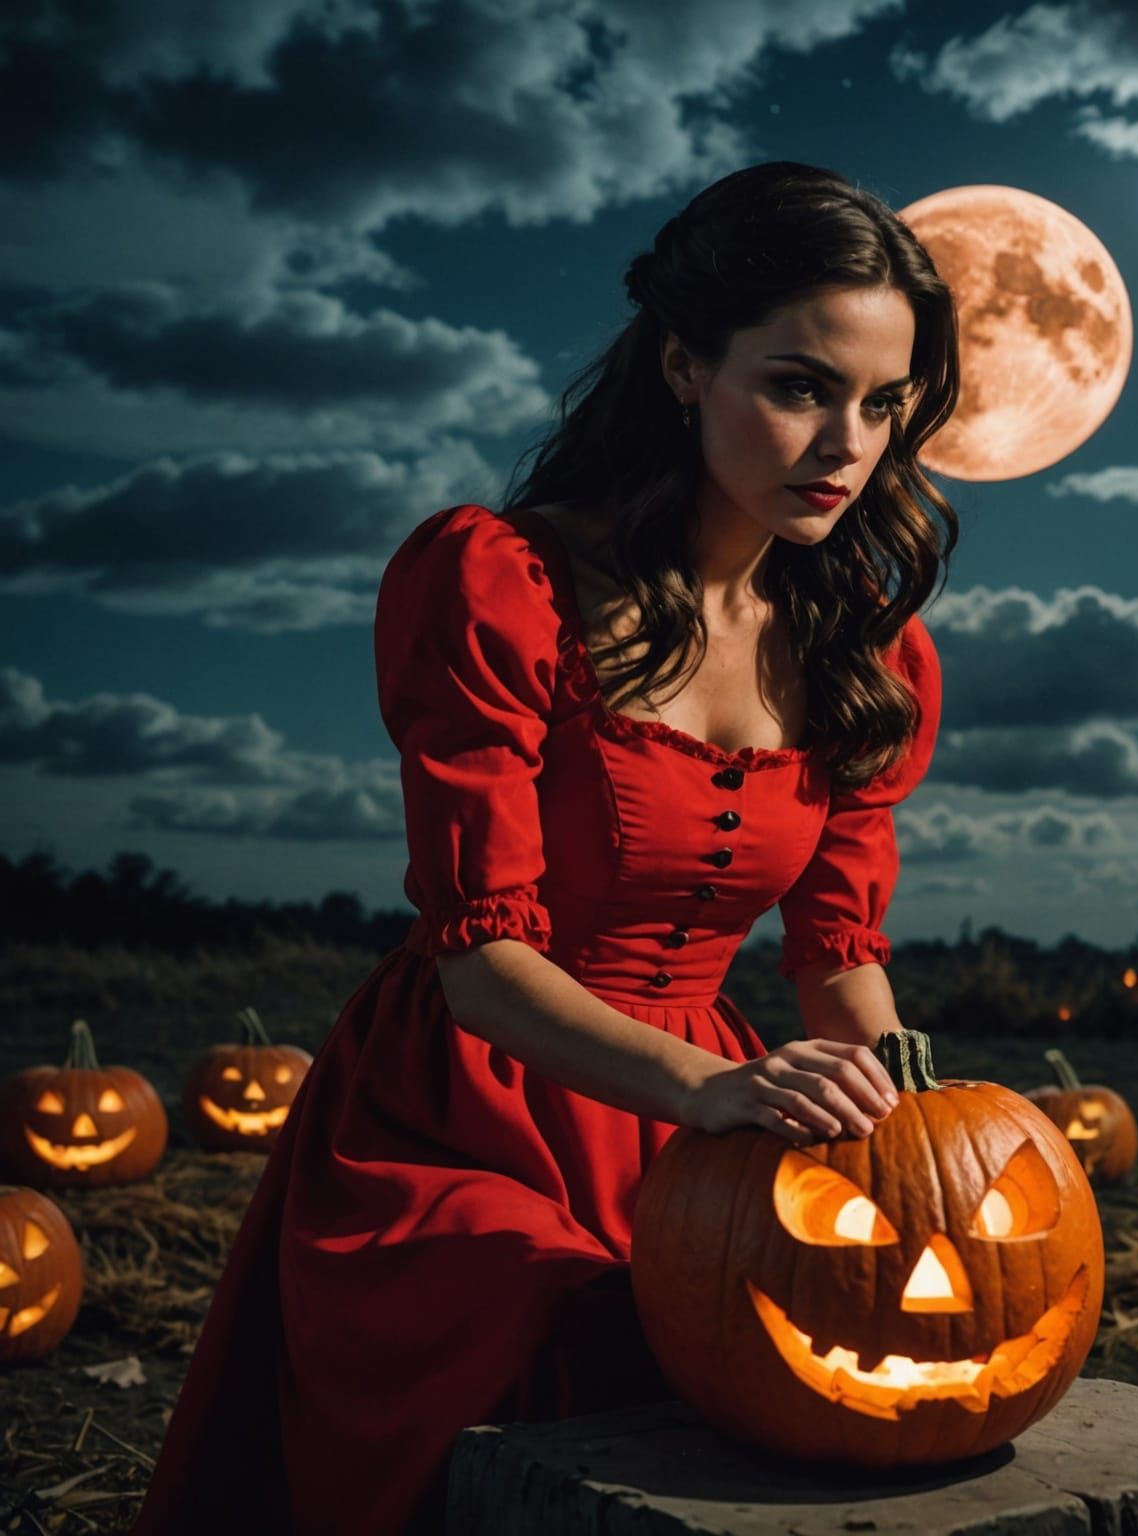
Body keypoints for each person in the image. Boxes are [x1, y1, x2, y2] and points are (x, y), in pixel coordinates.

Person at [132, 159, 959, 1535]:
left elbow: (839, 960)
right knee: (577, 1324)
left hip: (707, 1116)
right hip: (464, 1110)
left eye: (884, 404)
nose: (848, 444)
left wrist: (922, 1148)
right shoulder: (502, 583)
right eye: (802, 386)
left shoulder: (866, 653)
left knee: (818, 1334)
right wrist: (709, 1090)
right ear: (686, 366)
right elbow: (480, 964)